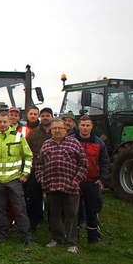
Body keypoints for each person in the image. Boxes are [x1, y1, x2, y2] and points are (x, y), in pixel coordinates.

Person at [36, 118, 88, 254]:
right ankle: (56, 238)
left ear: (66, 130)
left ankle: (72, 242)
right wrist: (42, 179)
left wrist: (76, 180)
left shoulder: (74, 143)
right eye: (54, 128)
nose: (57, 131)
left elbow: (83, 164)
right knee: (54, 214)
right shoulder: (46, 145)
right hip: (51, 186)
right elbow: (39, 164)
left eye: (60, 128)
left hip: (71, 186)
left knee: (71, 214)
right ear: (51, 130)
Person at [0, 111, 33, 244]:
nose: (2, 124)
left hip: (14, 179)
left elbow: (28, 156)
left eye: (4, 122)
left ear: (9, 122)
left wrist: (25, 174)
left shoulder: (18, 137)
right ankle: (2, 235)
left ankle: (26, 236)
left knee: (20, 208)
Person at [73, 115, 109, 243]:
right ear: (78, 126)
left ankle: (93, 237)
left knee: (92, 210)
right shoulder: (71, 141)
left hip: (91, 181)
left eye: (88, 125)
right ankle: (73, 237)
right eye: (82, 125)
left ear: (92, 127)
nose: (85, 128)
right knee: (74, 211)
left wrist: (102, 179)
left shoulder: (99, 143)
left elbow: (104, 162)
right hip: (75, 182)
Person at [25, 106, 54, 230]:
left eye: (48, 115)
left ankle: (52, 222)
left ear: (52, 117)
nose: (45, 118)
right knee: (34, 197)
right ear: (40, 118)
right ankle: (34, 222)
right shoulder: (33, 133)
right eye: (43, 116)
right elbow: (27, 151)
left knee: (53, 198)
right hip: (36, 170)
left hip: (53, 170)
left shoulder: (57, 130)